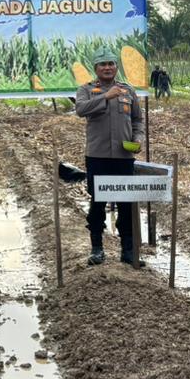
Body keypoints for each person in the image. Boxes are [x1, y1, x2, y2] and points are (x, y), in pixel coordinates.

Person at [75, 50, 144, 266]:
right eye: (103, 64)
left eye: (111, 64)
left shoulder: (128, 90)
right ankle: (97, 248)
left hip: (124, 156)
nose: (108, 68)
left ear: (116, 67)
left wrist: (138, 138)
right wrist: (105, 96)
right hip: (98, 156)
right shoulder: (86, 90)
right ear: (95, 68)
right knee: (97, 202)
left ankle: (128, 251)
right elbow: (80, 109)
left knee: (126, 204)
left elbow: (137, 120)